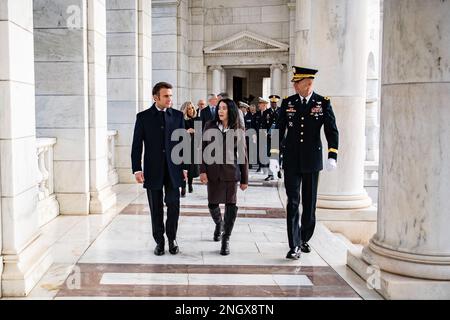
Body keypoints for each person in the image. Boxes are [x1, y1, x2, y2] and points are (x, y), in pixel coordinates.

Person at [270, 66, 339, 260]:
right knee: (293, 202)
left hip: (312, 160)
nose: (293, 85)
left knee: (309, 205)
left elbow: (331, 130)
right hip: (291, 160)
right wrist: (274, 156)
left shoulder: (322, 103)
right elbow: (278, 129)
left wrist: (332, 154)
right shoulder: (288, 103)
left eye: (297, 82)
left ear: (308, 83)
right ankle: (294, 245)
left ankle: (304, 237)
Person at [131, 82, 186, 256]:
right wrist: (137, 169)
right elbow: (136, 146)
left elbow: (183, 143)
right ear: (156, 97)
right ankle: (159, 241)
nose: (170, 99)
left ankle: (172, 239)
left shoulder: (178, 116)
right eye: (166, 96)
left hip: (174, 169)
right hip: (152, 170)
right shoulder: (143, 117)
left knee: (174, 205)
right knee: (156, 208)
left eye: (171, 95)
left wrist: (185, 166)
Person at [200, 99, 249, 255]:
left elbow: (243, 155)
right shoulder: (209, 126)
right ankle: (219, 224)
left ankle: (226, 239)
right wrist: (202, 171)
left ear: (231, 111)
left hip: (231, 173)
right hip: (212, 172)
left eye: (224, 108)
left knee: (231, 206)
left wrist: (245, 179)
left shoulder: (239, 130)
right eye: (219, 108)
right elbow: (202, 150)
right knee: (212, 204)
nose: (220, 111)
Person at [180, 101, 201, 197]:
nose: (191, 110)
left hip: (193, 146)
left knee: (192, 167)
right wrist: (186, 131)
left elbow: (201, 133)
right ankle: (183, 186)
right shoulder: (181, 119)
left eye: (192, 108)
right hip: (183, 146)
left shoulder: (197, 119)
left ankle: (190, 184)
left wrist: (195, 131)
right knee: (184, 166)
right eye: (188, 108)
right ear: (185, 110)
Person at [262, 95, 281, 181]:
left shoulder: (281, 111)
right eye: (272, 102)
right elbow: (263, 125)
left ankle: (278, 170)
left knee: (277, 155)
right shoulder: (266, 112)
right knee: (270, 155)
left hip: (278, 137)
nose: (273, 104)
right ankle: (270, 174)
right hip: (269, 137)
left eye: (275, 103)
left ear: (277, 103)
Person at [254, 97, 269, 173]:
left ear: (264, 105)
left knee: (266, 151)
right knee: (259, 151)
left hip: (266, 135)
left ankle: (265, 165)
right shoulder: (257, 114)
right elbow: (253, 125)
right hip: (258, 135)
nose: (258, 105)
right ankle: (260, 166)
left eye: (260, 104)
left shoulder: (269, 113)